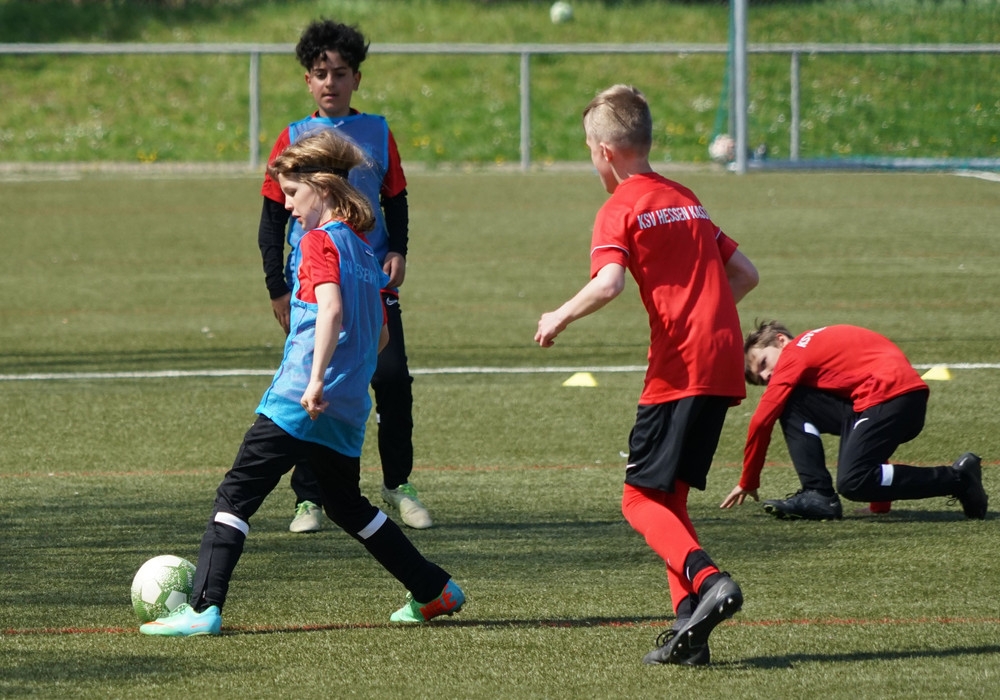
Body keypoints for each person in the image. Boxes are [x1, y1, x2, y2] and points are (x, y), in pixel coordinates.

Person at [140, 130, 463, 636]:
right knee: (347, 506)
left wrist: (314, 382)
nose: (287, 206)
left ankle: (202, 608)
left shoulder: (318, 242)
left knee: (236, 495)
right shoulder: (364, 253)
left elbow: (330, 309)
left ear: (324, 188)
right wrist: (342, 378)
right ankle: (433, 589)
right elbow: (379, 336)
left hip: (299, 400)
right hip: (347, 409)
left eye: (292, 193)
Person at [535, 85, 759, 666]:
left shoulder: (621, 205)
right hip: (723, 358)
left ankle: (710, 582)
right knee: (669, 498)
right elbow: (745, 274)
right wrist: (704, 315)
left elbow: (608, 283)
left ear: (605, 152)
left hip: (680, 365)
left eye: (590, 150)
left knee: (637, 500)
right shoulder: (686, 197)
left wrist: (559, 315)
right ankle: (689, 632)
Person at [257, 19, 430, 532]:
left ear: (357, 78)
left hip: (369, 276)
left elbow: (395, 198)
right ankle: (308, 498)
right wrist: (277, 286)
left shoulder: (377, 132)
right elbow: (272, 219)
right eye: (320, 73)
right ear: (307, 80)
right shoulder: (292, 138)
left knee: (391, 379)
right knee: (315, 381)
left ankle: (398, 483)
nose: (329, 82)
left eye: (339, 73)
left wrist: (397, 250)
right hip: (313, 282)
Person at [720, 321, 988, 521]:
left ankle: (959, 479)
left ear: (780, 340)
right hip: (890, 398)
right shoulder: (813, 348)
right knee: (793, 402)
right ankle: (818, 495)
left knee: (853, 481)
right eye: (759, 379)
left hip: (892, 397)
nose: (765, 376)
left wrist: (749, 480)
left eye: (763, 363)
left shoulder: (795, 352)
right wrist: (879, 504)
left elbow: (761, 420)